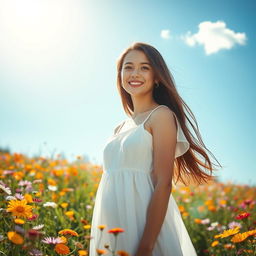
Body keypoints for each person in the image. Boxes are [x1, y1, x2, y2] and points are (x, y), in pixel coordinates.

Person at [89, 42, 222, 256]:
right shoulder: (119, 127)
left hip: (145, 226)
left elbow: (163, 184)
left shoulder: (161, 116)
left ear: (157, 76)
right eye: (128, 67)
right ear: (120, 74)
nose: (135, 73)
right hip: (111, 225)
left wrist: (146, 246)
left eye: (145, 67)